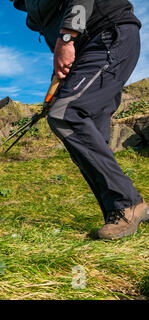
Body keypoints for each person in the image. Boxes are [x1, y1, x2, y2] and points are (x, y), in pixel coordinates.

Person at [11, 0, 149, 240]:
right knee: (91, 135)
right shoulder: (31, 11)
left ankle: (127, 204)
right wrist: (58, 78)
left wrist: (66, 38)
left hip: (109, 35)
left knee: (66, 115)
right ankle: (120, 212)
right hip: (86, 52)